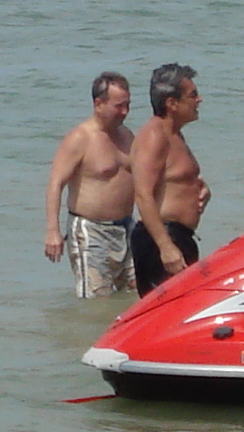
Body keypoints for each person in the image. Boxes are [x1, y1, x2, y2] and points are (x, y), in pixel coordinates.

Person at [42, 72, 138, 300]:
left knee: (141, 291)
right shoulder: (80, 138)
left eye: (128, 105)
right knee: (98, 301)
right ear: (98, 103)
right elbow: (56, 183)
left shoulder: (126, 135)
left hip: (127, 227)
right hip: (91, 231)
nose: (125, 112)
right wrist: (52, 231)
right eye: (118, 106)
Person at [126, 62, 211, 295]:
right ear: (172, 103)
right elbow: (143, 195)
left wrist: (201, 193)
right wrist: (166, 247)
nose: (199, 100)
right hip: (160, 241)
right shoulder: (154, 136)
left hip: (180, 237)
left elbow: (175, 181)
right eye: (192, 95)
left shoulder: (175, 134)